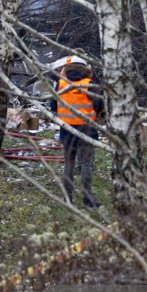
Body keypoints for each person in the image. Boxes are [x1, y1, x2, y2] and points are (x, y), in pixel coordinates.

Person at [50, 56, 105, 208]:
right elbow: (99, 106)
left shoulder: (61, 84)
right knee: (86, 164)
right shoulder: (90, 85)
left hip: (67, 131)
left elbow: (53, 106)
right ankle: (87, 200)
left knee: (69, 164)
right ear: (86, 68)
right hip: (86, 131)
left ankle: (68, 199)